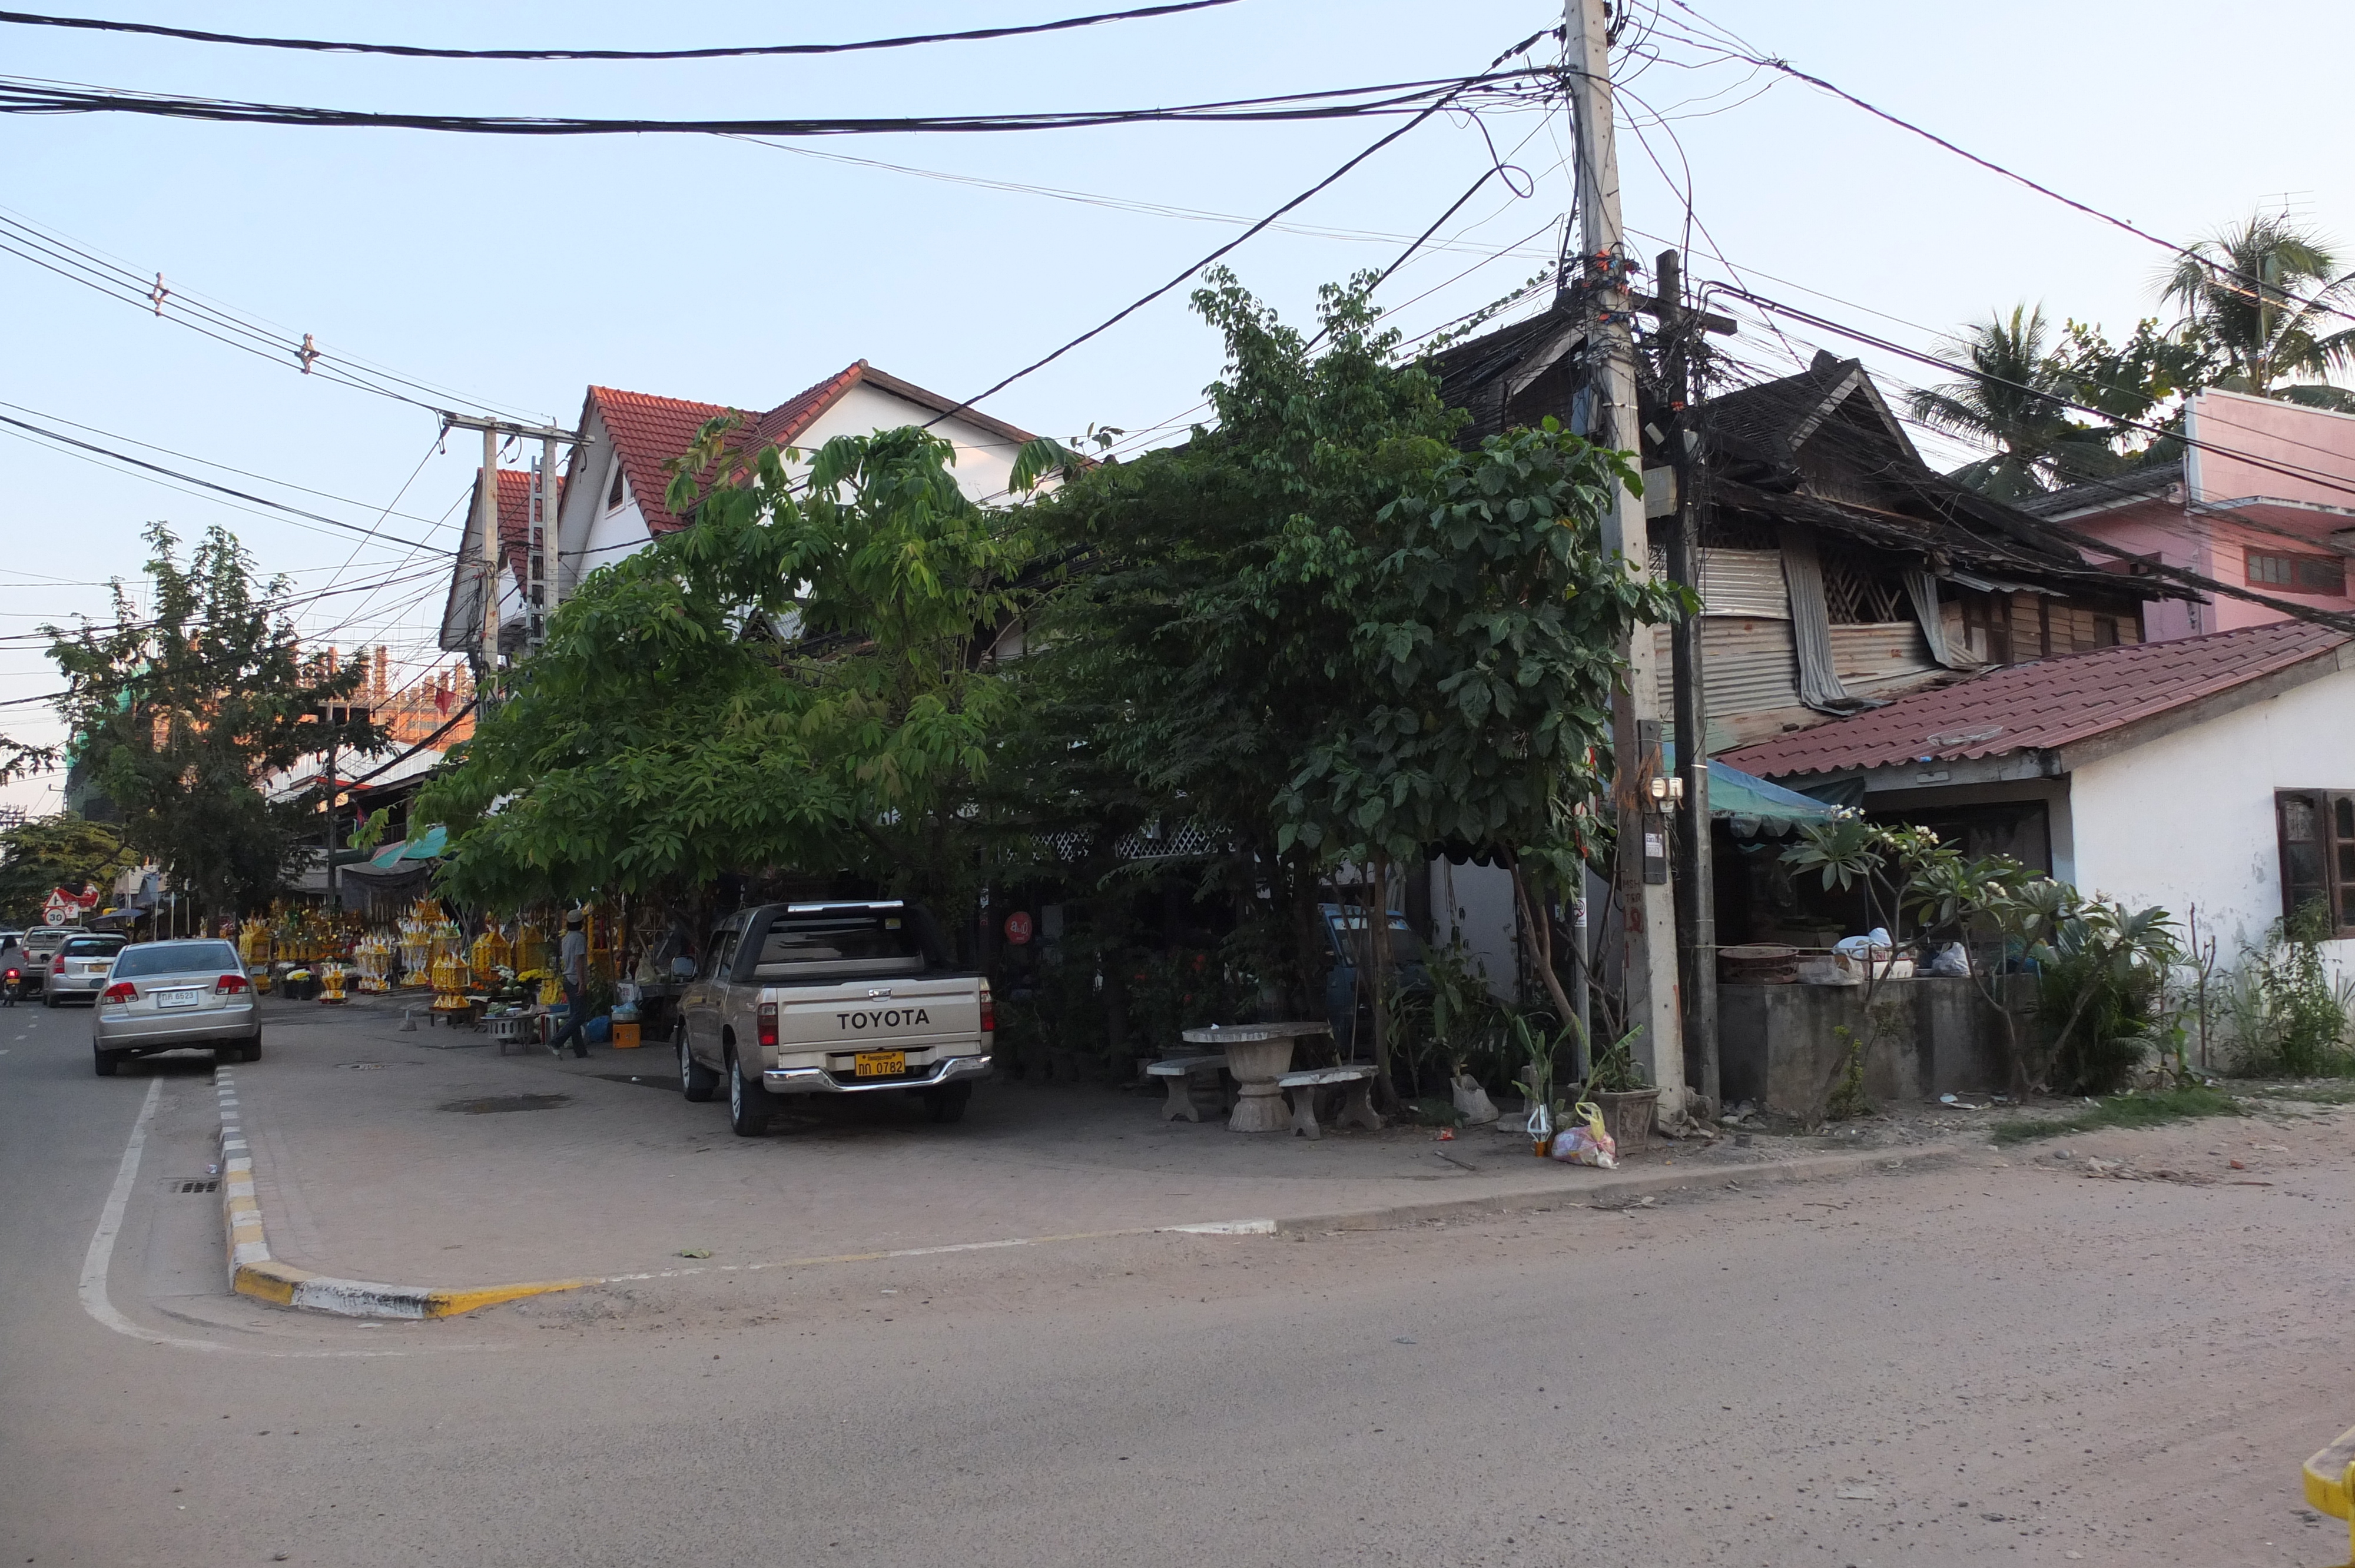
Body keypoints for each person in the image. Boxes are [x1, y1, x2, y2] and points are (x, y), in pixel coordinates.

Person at [545, 909, 592, 1059]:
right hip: (575, 979)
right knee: (579, 1017)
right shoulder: (579, 938)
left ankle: (580, 1051)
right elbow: (579, 961)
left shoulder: (566, 938)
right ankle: (556, 1041)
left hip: (567, 978)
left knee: (574, 1015)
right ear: (581, 923)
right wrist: (582, 981)